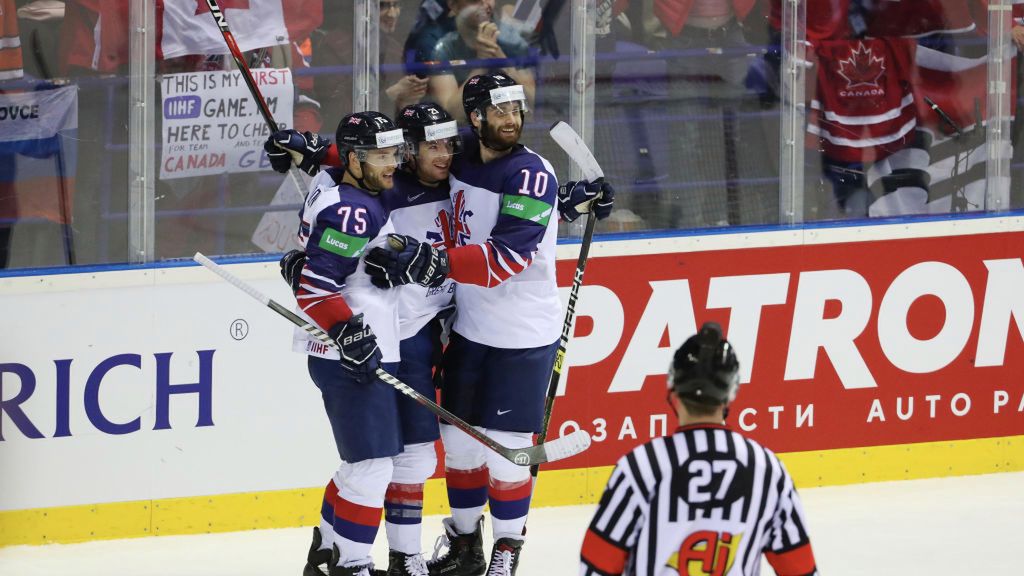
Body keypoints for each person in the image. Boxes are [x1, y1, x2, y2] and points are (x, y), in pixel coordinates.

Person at [265, 74, 615, 576]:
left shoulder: (479, 167)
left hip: (472, 332)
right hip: (407, 333)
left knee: (438, 460)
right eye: (431, 145)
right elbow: (356, 178)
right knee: (404, 457)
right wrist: (310, 154)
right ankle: (372, 553)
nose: (445, 152)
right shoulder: (404, 177)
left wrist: (567, 199)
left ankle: (457, 555)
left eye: (449, 141)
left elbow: (504, 233)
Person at [276, 102, 464, 576]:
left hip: (360, 347)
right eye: (380, 157)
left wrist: (313, 150)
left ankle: (327, 555)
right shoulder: (353, 210)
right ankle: (352, 564)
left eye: (394, 153)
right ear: (356, 161)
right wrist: (347, 331)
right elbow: (316, 288)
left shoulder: (338, 183)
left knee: (366, 465)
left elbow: (312, 265)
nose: (392, 164)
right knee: (373, 468)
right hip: (352, 353)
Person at [580, 322, 819, 576]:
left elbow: (596, 565)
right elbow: (801, 569)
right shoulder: (768, 471)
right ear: (731, 392)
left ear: (673, 388)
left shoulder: (640, 468)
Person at [426, 0, 535, 121]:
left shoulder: (513, 42)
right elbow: (450, 115)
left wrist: (504, 63)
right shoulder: (445, 49)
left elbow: (534, 104)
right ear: (453, 6)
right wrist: (481, 65)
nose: (485, 3)